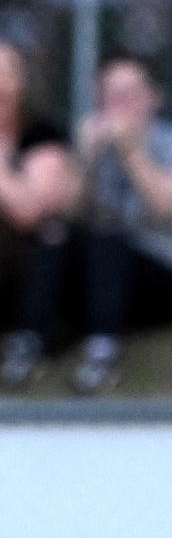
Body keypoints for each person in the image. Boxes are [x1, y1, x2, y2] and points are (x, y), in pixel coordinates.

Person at [72, 53, 172, 393]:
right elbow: (69, 213)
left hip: (165, 273)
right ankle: (28, 343)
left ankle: (102, 353)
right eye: (111, 95)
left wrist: (132, 149)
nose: (120, 105)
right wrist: (84, 161)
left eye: (130, 94)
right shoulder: (93, 141)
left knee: (108, 235)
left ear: (154, 97)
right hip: (104, 271)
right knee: (57, 238)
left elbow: (167, 208)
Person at [0, 39, 82, 390]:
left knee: (52, 234)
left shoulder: (41, 134)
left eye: (5, 71)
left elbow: (30, 211)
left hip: (25, 266)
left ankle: (28, 344)